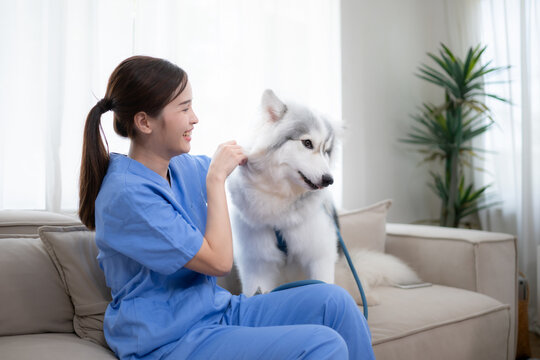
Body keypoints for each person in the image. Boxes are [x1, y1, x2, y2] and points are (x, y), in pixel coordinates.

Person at [79, 55, 375, 360]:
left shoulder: (179, 167)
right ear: (144, 122)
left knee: (334, 302)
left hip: (217, 311)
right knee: (324, 344)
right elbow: (219, 262)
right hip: (170, 341)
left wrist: (302, 166)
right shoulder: (128, 195)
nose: (195, 118)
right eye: (184, 108)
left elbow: (250, 165)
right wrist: (216, 179)